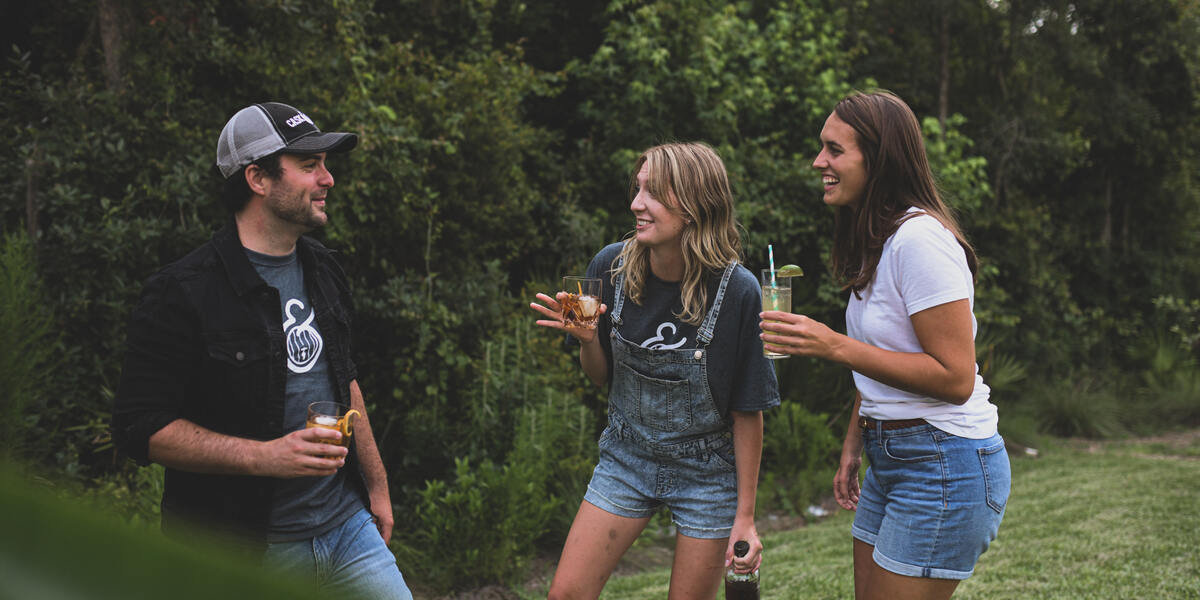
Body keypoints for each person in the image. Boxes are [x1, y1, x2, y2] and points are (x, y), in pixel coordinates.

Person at [112, 102, 412, 599]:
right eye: (309, 165)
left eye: (325, 164)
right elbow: (138, 428)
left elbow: (346, 379)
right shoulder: (183, 292)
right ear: (257, 178)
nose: (328, 178)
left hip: (348, 528)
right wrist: (265, 457)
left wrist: (376, 487)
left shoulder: (323, 268)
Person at [759, 91, 1010, 599]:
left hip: (943, 460)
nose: (819, 162)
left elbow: (956, 379)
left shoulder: (921, 242)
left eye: (834, 150)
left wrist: (834, 346)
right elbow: (886, 357)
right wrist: (856, 442)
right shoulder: (881, 241)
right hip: (890, 454)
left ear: (877, 160)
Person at [530, 142, 780, 599]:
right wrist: (588, 342)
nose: (635, 204)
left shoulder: (740, 291)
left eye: (653, 193)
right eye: (637, 189)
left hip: (707, 472)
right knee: (564, 594)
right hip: (627, 456)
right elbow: (601, 377)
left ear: (692, 207)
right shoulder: (610, 267)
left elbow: (749, 411)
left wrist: (745, 515)